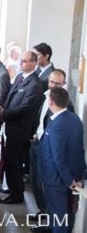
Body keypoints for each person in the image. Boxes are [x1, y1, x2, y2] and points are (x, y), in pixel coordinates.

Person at [36, 87, 86, 233]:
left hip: (58, 180)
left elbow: (58, 157)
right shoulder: (75, 118)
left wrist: (69, 180)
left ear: (51, 102)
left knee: (59, 218)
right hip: (72, 175)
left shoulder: (57, 125)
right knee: (68, 214)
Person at [0, 50, 44, 204]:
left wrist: (4, 113)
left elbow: (25, 108)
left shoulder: (35, 84)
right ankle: (13, 191)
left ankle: (17, 194)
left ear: (34, 63)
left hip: (20, 129)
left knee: (14, 162)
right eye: (21, 61)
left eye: (24, 61)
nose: (21, 63)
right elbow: (11, 96)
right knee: (10, 161)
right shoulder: (19, 76)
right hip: (11, 126)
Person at [30, 69, 73, 221]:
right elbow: (40, 119)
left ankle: (49, 217)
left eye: (58, 83)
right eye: (52, 82)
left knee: (45, 182)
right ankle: (43, 210)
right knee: (35, 180)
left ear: (64, 84)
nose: (54, 85)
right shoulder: (45, 96)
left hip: (48, 148)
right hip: (37, 143)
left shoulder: (66, 104)